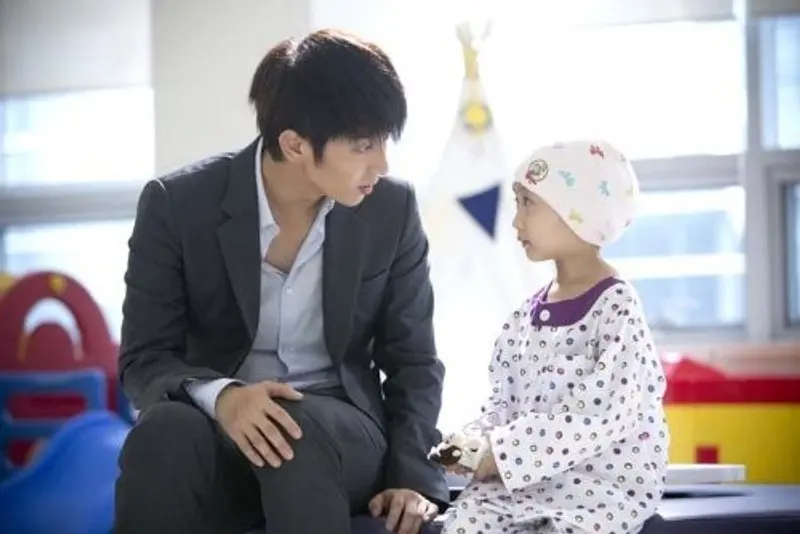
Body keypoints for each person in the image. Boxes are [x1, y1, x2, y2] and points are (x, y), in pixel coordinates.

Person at [115, 29, 448, 534]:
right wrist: (224, 397)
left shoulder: (391, 208)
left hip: (342, 431)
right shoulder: (177, 205)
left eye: (384, 141)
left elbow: (414, 362)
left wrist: (413, 477)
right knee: (164, 431)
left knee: (295, 427)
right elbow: (144, 359)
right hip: (223, 426)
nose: (381, 164)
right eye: (364, 146)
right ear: (295, 144)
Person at [434, 140, 670, 533]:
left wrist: (501, 453)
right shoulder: (523, 318)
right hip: (519, 485)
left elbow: (600, 414)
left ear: (578, 214)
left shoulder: (617, 307)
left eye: (528, 204)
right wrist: (472, 442)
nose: (516, 222)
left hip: (598, 490)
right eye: (517, 203)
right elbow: (504, 405)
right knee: (465, 522)